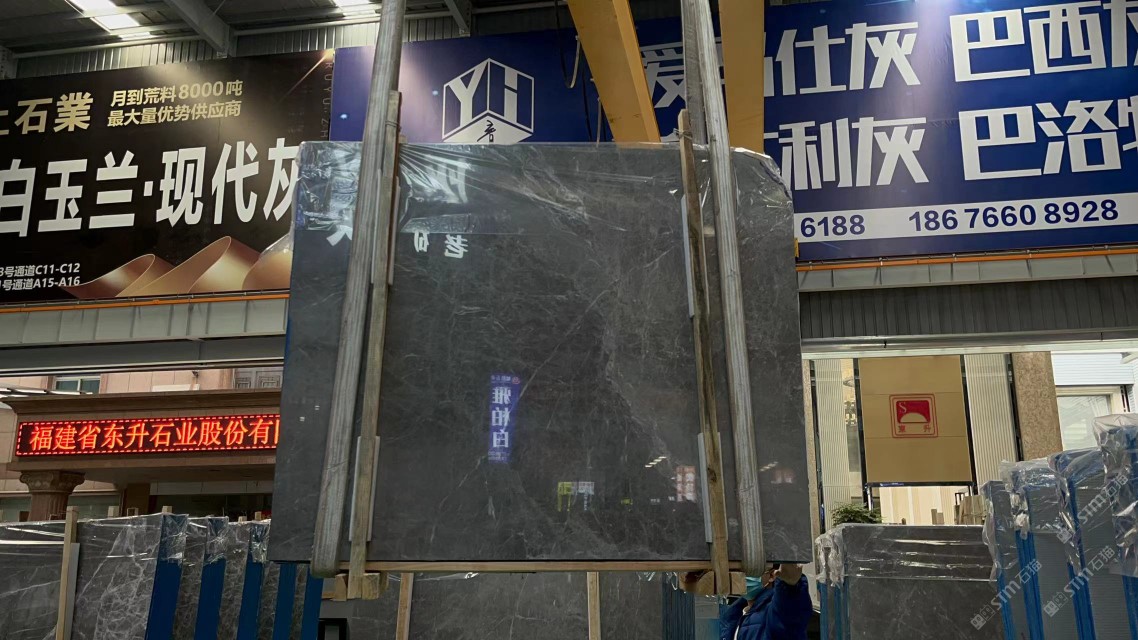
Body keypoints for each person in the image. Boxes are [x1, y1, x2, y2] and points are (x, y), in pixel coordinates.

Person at [681, 564, 813, 640]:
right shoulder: (735, 617)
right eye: (739, 568)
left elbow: (789, 613)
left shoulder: (774, 615)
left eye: (750, 569)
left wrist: (790, 585)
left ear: (772, 575)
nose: (742, 574)